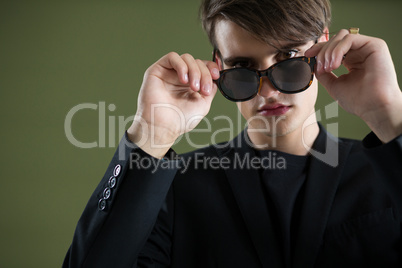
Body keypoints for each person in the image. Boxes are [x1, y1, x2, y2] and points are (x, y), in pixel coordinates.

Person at [63, 0, 402, 267]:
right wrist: (151, 133)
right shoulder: (175, 189)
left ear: (323, 47)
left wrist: (388, 116)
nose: (268, 91)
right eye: (242, 68)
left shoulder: (386, 171)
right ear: (218, 65)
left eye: (288, 57)